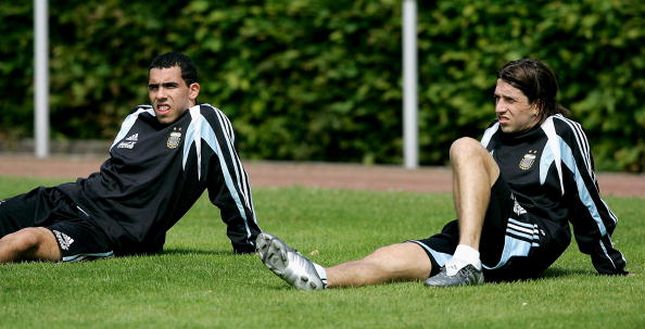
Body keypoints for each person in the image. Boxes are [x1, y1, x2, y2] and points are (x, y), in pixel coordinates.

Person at [256, 58, 628, 290]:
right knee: (395, 256)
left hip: (533, 234)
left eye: (510, 100)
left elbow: (587, 198)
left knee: (463, 146)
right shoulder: (493, 135)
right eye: (496, 98)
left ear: (539, 105)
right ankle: (319, 276)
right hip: (486, 234)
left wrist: (606, 259)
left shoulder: (561, 131)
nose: (499, 107)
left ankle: (466, 261)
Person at [0, 51, 261, 263]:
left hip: (102, 232)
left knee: (24, 240)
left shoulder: (203, 122)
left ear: (193, 91)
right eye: (154, 87)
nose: (160, 95)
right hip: (67, 197)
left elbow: (230, 184)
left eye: (170, 86)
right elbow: (113, 174)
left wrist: (249, 244)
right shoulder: (137, 117)